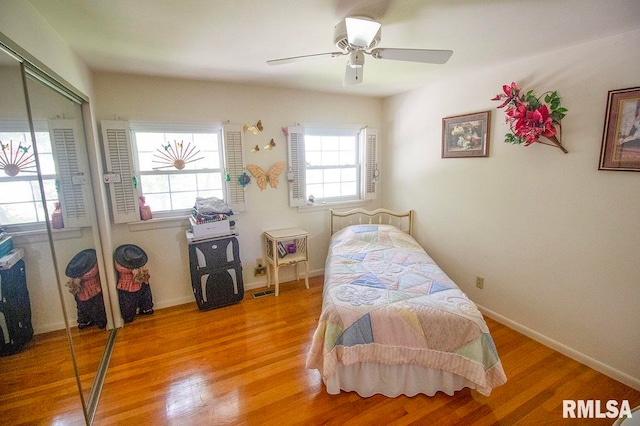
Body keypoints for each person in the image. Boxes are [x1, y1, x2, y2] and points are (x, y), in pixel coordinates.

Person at [65, 249, 107, 329]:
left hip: (81, 293)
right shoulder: (92, 271)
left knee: (82, 307)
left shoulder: (75, 280)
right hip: (94, 291)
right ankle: (99, 321)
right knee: (97, 306)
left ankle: (84, 321)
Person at [114, 244, 154, 323]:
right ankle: (146, 308)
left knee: (128, 302)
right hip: (140, 281)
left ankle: (129, 316)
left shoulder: (122, 269)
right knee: (145, 295)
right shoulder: (142, 271)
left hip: (128, 286)